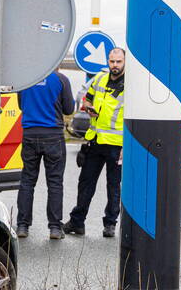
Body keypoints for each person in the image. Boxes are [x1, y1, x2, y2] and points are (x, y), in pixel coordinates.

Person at [64, 48, 126, 238]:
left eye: (118, 62)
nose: (114, 65)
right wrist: (88, 107)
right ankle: (77, 222)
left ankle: (110, 224)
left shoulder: (131, 85)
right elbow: (87, 98)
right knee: (86, 183)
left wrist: (127, 147)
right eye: (112, 61)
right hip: (95, 140)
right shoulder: (100, 78)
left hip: (117, 144)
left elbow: (134, 119)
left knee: (113, 186)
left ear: (124, 63)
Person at [15, 69, 75, 239]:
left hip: (30, 134)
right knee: (55, 182)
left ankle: (22, 226)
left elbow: (21, 105)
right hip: (53, 135)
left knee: (27, 181)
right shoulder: (61, 79)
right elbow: (69, 109)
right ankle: (55, 228)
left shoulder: (25, 78)